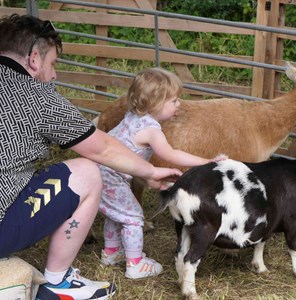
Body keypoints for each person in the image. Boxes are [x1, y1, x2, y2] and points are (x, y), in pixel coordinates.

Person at [0, 14, 182, 300]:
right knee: (87, 171)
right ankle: (58, 284)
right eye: (52, 64)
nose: (54, 74)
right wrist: (150, 172)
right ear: (34, 58)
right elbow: (101, 149)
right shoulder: (35, 95)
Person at [99, 67, 228, 279]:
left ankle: (112, 252)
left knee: (117, 214)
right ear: (156, 103)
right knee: (133, 217)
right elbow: (172, 154)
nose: (179, 104)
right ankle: (135, 263)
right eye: (175, 100)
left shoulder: (132, 116)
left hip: (103, 172)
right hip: (111, 177)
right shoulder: (151, 129)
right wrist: (207, 161)